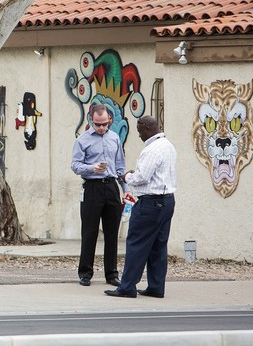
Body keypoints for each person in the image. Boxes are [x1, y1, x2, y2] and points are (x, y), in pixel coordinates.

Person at [105, 115, 177, 298]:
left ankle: (127, 286)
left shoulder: (152, 150)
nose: (138, 135)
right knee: (158, 246)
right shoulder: (168, 145)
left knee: (136, 244)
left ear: (147, 129)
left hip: (150, 203)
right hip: (167, 201)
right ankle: (156, 287)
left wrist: (127, 177)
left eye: (139, 131)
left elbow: (141, 178)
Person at [71, 104, 128, 287]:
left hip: (111, 186)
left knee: (112, 233)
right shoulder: (82, 140)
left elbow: (120, 166)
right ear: (91, 120)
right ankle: (85, 272)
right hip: (92, 187)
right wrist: (91, 168)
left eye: (105, 124)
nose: (102, 128)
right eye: (98, 124)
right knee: (90, 231)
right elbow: (75, 165)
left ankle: (111, 274)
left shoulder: (114, 138)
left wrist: (126, 190)